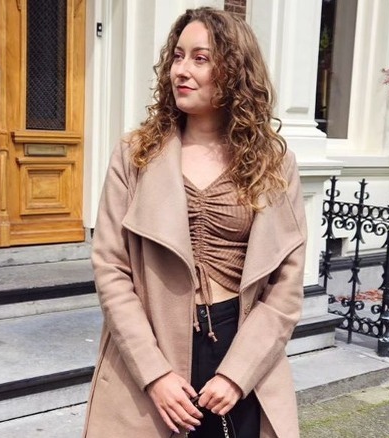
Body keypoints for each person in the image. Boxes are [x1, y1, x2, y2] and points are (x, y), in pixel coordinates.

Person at [83, 7, 306, 438]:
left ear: (236, 71)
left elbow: (286, 287)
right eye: (177, 56)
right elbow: (111, 268)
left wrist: (237, 374)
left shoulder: (274, 165)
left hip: (241, 354)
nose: (180, 70)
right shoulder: (135, 154)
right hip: (152, 352)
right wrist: (156, 375)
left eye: (200, 58)